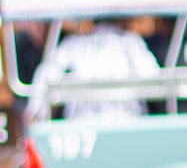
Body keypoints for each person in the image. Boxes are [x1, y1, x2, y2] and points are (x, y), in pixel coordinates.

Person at [30, 19, 161, 121]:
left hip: (87, 126)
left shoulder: (73, 43)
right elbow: (155, 80)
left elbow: (156, 83)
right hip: (121, 123)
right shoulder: (131, 41)